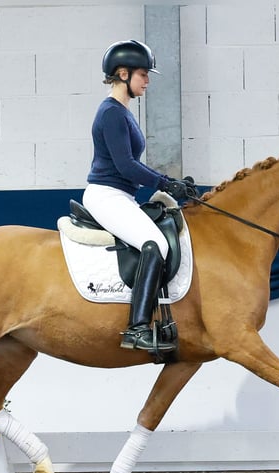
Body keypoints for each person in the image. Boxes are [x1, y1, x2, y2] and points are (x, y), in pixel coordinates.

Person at [82, 39, 195, 353]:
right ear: (122, 73)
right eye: (143, 74)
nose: (147, 81)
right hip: (106, 195)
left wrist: (169, 183)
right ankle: (137, 328)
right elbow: (125, 165)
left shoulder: (123, 111)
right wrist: (164, 182)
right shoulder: (111, 114)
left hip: (120, 196)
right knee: (155, 243)